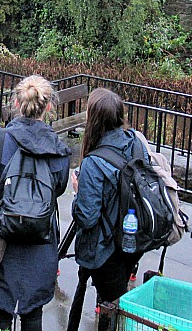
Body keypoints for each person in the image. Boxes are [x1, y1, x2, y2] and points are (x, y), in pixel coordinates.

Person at [0, 75, 71, 331]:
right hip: (40, 244)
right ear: (48, 107)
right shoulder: (59, 150)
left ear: (15, 102)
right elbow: (56, 190)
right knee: (33, 316)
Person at [70, 88, 147, 330]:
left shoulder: (94, 163)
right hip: (132, 238)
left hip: (106, 249)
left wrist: (76, 190)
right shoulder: (135, 142)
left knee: (114, 307)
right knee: (116, 295)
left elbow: (87, 217)